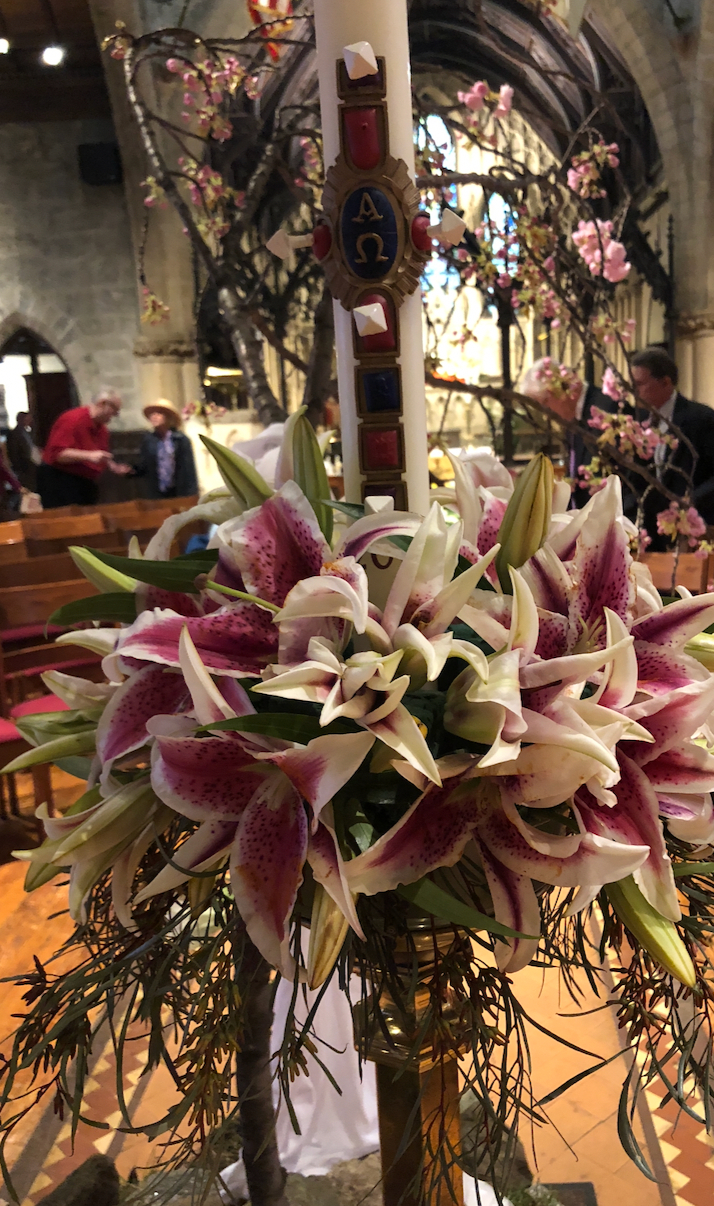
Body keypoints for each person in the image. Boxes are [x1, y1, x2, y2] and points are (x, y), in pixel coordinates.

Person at [631, 346, 714, 550]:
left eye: (639, 384)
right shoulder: (638, 421)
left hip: (694, 528)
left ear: (665, 382)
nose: (633, 391)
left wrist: (690, 501)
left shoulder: (701, 418)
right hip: (652, 532)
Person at [520, 359, 615, 507]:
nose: (546, 415)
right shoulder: (574, 419)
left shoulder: (603, 412)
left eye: (545, 403)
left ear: (560, 387)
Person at [38, 388, 132, 508]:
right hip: (61, 482)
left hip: (85, 483)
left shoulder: (102, 430)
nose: (114, 416)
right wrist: (89, 456)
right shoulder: (73, 419)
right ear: (102, 404)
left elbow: (99, 454)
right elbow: (58, 454)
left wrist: (112, 466)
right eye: (114, 411)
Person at [137, 399, 199, 499]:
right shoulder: (148, 440)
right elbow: (144, 466)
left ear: (168, 417)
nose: (154, 416)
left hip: (179, 492)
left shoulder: (181, 440)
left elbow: (188, 470)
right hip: (157, 495)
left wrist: (192, 495)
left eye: (159, 413)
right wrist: (129, 470)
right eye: (152, 414)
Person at [6, 412, 39, 492]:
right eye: (28, 419)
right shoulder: (15, 434)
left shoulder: (26, 432)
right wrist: (19, 468)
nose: (30, 421)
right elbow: (14, 453)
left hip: (30, 466)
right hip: (24, 468)